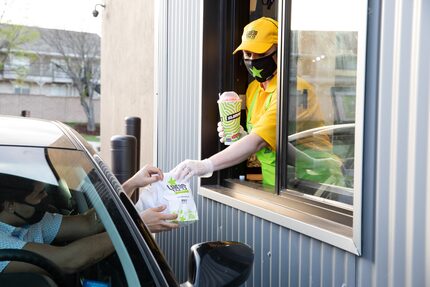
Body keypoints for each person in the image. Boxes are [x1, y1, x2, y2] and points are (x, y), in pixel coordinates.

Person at [172, 17, 342, 186]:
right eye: (247, 53)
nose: (253, 59)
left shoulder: (294, 89)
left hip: (315, 182)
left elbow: (260, 141)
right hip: (276, 186)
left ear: (280, 52)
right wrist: (242, 136)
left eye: (260, 53)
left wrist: (205, 165)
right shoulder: (254, 89)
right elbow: (267, 141)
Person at [0, 165, 177, 274]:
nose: (46, 197)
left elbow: (88, 223)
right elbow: (67, 260)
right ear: (10, 205)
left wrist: (130, 184)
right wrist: (134, 227)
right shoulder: (2, 242)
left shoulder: (31, 220)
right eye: (39, 194)